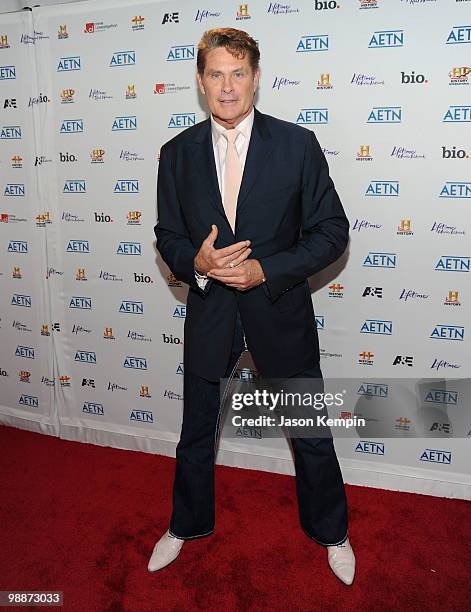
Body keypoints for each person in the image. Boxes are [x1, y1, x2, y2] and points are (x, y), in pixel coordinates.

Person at [149, 28, 355, 585]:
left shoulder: (297, 145)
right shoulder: (176, 154)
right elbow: (166, 234)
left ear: (257, 78)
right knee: (196, 430)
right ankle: (184, 525)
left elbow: (332, 232)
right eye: (216, 74)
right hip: (211, 311)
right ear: (200, 81)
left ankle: (333, 531)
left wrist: (268, 268)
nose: (228, 86)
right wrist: (198, 260)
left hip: (279, 310)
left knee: (309, 429)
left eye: (238, 73)